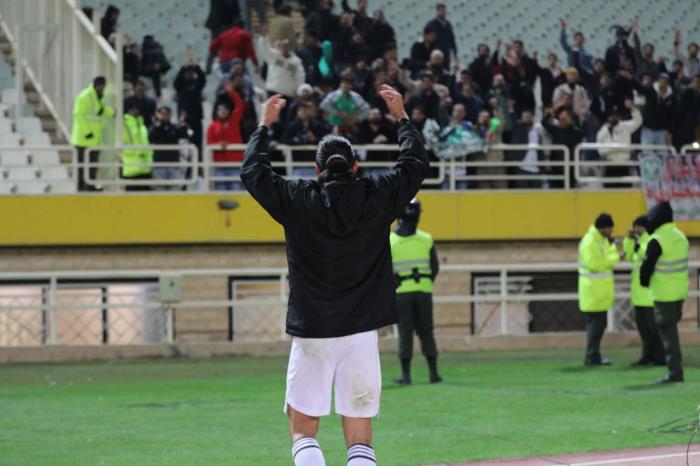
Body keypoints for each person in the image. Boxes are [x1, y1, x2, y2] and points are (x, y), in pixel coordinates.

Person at [241, 85, 429, 466]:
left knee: (303, 429)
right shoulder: (377, 195)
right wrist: (402, 117)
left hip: (312, 330)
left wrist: (263, 126)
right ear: (356, 166)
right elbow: (414, 164)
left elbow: (253, 172)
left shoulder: (298, 199)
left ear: (317, 170)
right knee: (360, 437)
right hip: (361, 333)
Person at [390, 198, 441, 385]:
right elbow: (435, 267)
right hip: (423, 291)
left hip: (402, 293)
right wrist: (425, 282)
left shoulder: (390, 240)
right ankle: (433, 373)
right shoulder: (426, 239)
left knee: (405, 333)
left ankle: (406, 375)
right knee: (426, 331)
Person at [640, 201, 689, 384]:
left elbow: (647, 267)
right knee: (671, 332)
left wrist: (644, 281)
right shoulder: (681, 236)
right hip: (679, 293)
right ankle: (675, 370)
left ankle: (675, 372)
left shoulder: (657, 240)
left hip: (663, 294)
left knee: (668, 335)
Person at [623, 215, 665, 367]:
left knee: (653, 329)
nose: (635, 229)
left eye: (638, 226)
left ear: (644, 227)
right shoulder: (638, 241)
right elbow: (629, 256)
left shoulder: (651, 240)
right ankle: (646, 357)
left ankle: (659, 357)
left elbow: (646, 255)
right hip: (638, 295)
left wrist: (637, 245)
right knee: (644, 330)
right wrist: (629, 240)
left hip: (648, 296)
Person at [578, 213, 619, 366]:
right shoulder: (590, 242)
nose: (612, 231)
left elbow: (606, 260)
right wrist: (613, 260)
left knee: (598, 327)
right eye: (610, 228)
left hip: (599, 293)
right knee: (595, 328)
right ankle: (591, 357)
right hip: (593, 293)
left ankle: (594, 356)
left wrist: (612, 252)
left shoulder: (601, 241)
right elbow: (595, 265)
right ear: (604, 228)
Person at [71, 76, 115, 191]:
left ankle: (90, 188)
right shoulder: (84, 96)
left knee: (93, 166)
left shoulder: (99, 97)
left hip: (95, 139)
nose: (102, 88)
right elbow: (78, 116)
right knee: (82, 167)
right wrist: (87, 132)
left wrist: (113, 113)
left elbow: (101, 110)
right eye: (101, 86)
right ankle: (80, 189)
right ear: (96, 85)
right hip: (82, 139)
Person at [206, 83, 245, 190]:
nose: (223, 111)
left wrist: (232, 93)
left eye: (225, 109)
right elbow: (209, 142)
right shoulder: (212, 126)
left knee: (237, 191)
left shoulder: (234, 121)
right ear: (217, 112)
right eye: (220, 110)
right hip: (219, 166)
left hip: (234, 165)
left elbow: (240, 106)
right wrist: (218, 144)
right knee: (220, 193)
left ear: (228, 111)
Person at [595, 100, 642, 187]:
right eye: (611, 116)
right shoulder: (603, 130)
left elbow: (638, 121)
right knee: (609, 191)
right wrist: (605, 152)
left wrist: (633, 109)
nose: (613, 118)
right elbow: (598, 145)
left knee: (626, 191)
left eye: (615, 116)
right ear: (608, 117)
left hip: (624, 165)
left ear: (619, 117)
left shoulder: (626, 126)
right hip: (609, 165)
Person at [149, 106, 190, 190]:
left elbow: (184, 137)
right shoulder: (155, 127)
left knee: (175, 192)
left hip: (174, 165)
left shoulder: (175, 127)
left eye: (166, 114)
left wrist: (183, 123)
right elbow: (151, 138)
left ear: (170, 115)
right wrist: (158, 123)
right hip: (159, 166)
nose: (164, 116)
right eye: (162, 114)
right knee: (159, 192)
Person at [174, 60, 206, 157]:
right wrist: (184, 67)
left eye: (191, 72)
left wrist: (196, 67)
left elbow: (202, 79)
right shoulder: (180, 87)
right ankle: (187, 164)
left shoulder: (197, 86)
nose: (189, 74)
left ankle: (198, 162)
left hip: (196, 119)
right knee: (185, 144)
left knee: (198, 144)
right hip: (184, 121)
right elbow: (176, 82)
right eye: (187, 72)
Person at [121, 101, 153, 191]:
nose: (136, 111)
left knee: (146, 197)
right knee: (131, 197)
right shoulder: (123, 124)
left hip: (145, 168)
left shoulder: (142, 125)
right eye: (133, 109)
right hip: (131, 168)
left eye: (137, 109)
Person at [425, 3, 457, 68]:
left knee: (446, 69)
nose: (443, 13)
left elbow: (452, 38)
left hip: (446, 51)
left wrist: (454, 52)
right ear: (437, 11)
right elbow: (427, 38)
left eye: (444, 11)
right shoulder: (431, 24)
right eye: (442, 11)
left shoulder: (448, 24)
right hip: (435, 50)